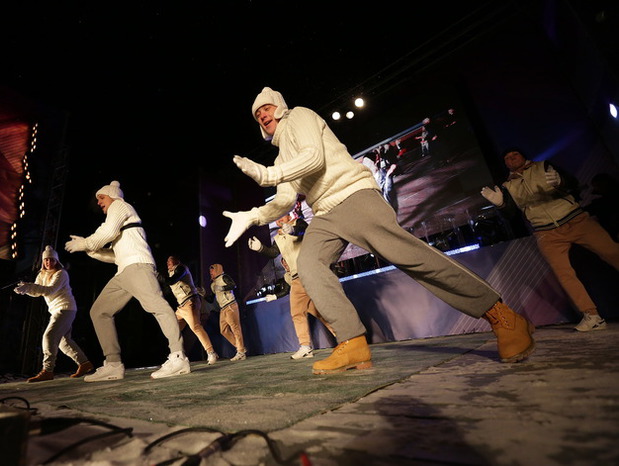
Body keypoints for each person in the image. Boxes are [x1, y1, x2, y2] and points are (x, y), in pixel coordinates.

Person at [223, 87, 535, 375]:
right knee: (308, 265)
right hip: (325, 213)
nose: (262, 115)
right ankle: (353, 342)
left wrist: (270, 174)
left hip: (353, 195)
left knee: (410, 257)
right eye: (257, 114)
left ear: (279, 107)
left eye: (266, 108)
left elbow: (313, 157)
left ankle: (501, 315)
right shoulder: (280, 158)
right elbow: (284, 200)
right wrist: (253, 215)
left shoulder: (300, 116)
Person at [481, 149, 619, 332]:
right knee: (564, 274)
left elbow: (572, 183)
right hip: (546, 232)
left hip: (576, 220)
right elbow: (510, 214)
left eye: (514, 155)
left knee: (612, 252)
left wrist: (562, 181)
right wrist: (501, 205)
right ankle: (592, 316)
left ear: (523, 156)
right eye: (507, 158)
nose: (511, 159)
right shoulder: (507, 185)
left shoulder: (544, 166)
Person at [64, 181, 190, 381]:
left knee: (157, 305)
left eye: (102, 198)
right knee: (99, 311)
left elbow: (107, 233)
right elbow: (114, 255)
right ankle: (113, 364)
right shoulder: (120, 221)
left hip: (138, 266)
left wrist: (86, 243)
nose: (99, 202)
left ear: (113, 195)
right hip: (123, 271)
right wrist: (88, 248)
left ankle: (178, 356)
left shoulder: (119, 206)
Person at [248, 210, 336, 359]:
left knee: (325, 308)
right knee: (299, 312)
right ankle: (305, 346)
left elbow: (304, 230)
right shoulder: (278, 237)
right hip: (296, 278)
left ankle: (347, 338)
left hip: (310, 272)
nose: (279, 220)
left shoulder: (298, 223)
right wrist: (260, 248)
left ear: (289, 215)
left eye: (281, 216)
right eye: (276, 218)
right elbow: (273, 253)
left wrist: (293, 230)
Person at [14, 245, 94, 382]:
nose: (48, 262)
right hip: (57, 309)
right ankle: (84, 363)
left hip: (65, 308)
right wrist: (26, 290)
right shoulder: (41, 275)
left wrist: (29, 287)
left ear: (57, 261)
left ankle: (48, 370)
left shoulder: (61, 273)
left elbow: (50, 290)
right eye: (46, 260)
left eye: (51, 259)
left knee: (49, 336)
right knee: (64, 341)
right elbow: (38, 292)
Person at [164, 256, 219, 365]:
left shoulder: (181, 268)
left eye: (170, 260)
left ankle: (211, 352)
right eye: (167, 261)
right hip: (181, 306)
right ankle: (176, 356)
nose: (168, 263)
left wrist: (158, 276)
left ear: (176, 261)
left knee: (196, 327)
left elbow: (172, 280)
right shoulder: (170, 273)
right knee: (173, 329)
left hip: (190, 302)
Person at [207, 263, 247, 361]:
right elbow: (211, 299)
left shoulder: (224, 277)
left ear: (217, 270)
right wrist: (203, 294)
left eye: (212, 270)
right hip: (223, 309)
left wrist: (222, 288)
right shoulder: (213, 284)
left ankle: (241, 352)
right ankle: (240, 347)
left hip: (230, 305)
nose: (211, 273)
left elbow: (233, 285)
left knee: (235, 328)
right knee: (223, 330)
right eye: (210, 271)